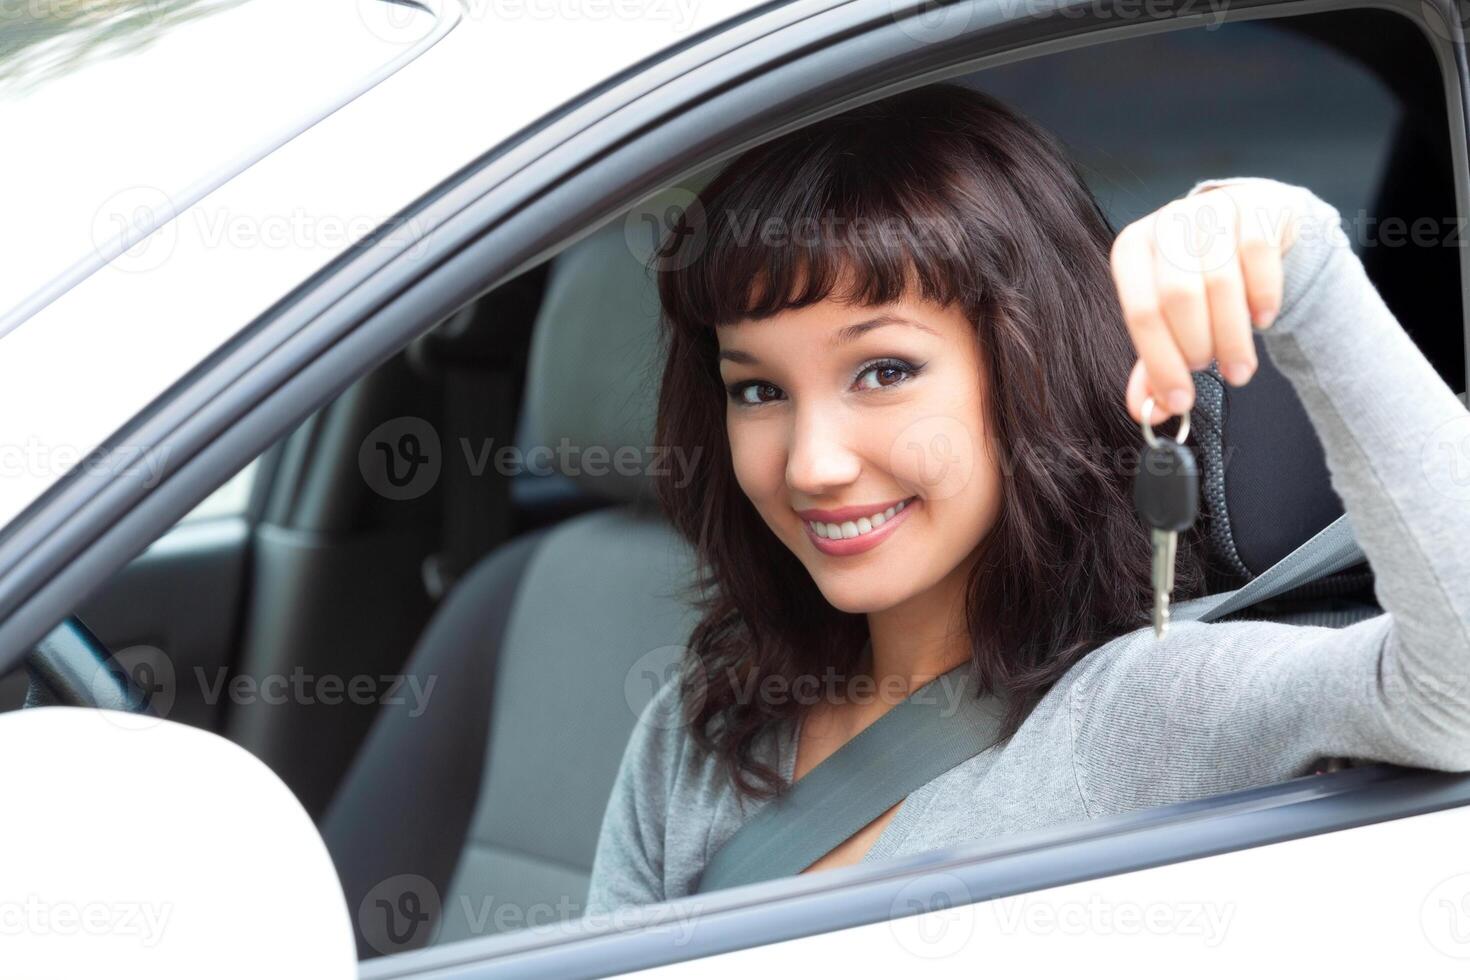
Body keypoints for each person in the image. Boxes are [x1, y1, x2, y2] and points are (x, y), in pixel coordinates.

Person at [583, 82, 1470, 915]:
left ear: (1027, 377)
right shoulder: (704, 731)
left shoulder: (1140, 705)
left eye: (884, 371)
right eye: (758, 390)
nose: (812, 464)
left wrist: (1300, 260)